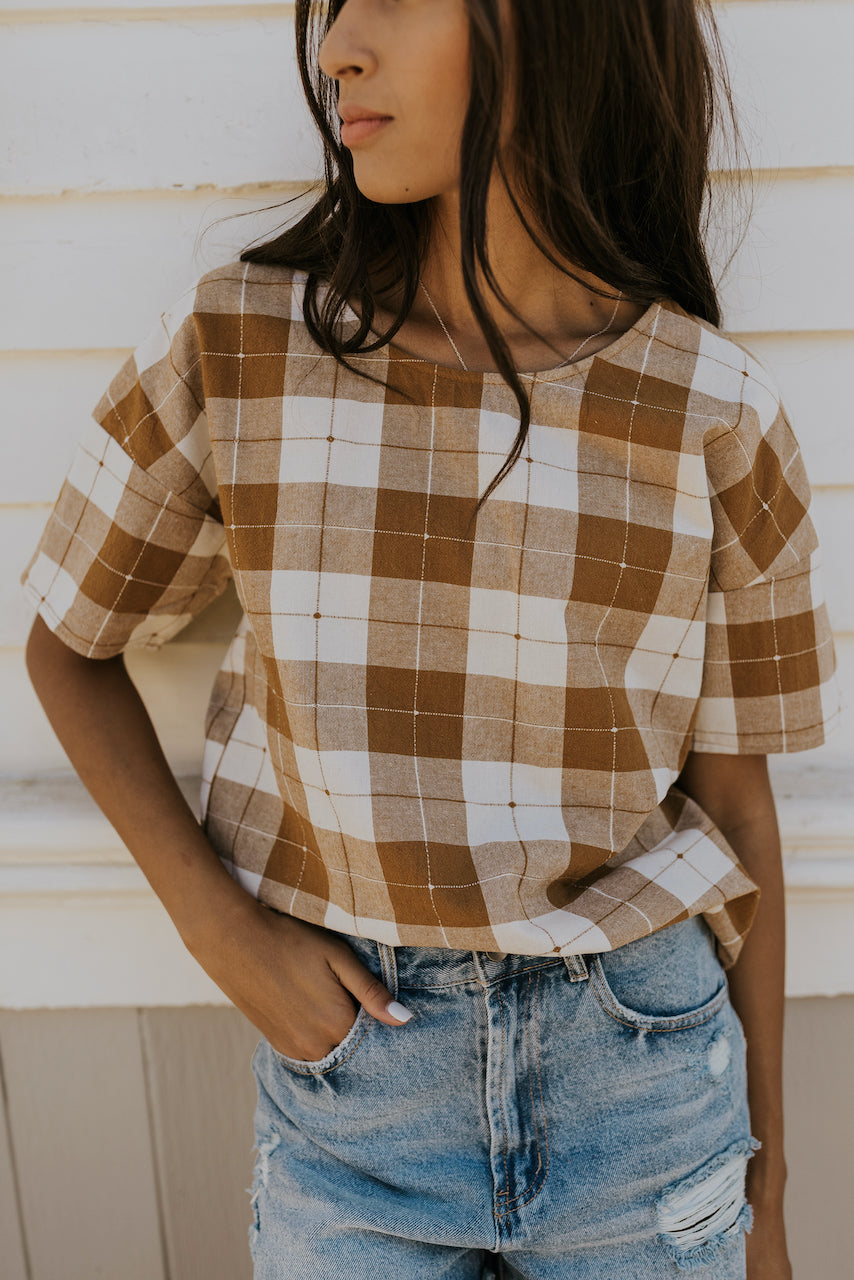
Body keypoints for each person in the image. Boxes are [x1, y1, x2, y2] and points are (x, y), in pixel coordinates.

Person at [22, 1, 840, 1277]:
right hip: (353, 1101)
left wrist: (767, 1189)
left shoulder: (708, 410)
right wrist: (222, 934)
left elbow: (734, 803)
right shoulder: (241, 349)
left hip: (641, 1085)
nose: (335, 47)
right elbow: (66, 644)